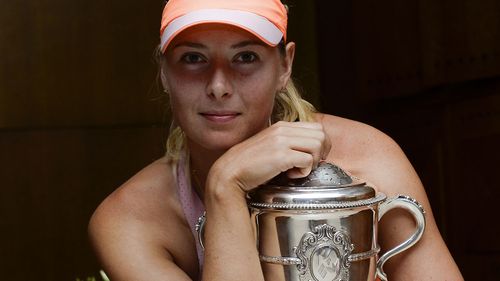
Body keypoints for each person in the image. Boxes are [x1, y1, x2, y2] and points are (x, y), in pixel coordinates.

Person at [88, 0, 464, 280]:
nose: (218, 86)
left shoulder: (367, 160)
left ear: (284, 66)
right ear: (164, 73)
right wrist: (225, 185)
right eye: (193, 58)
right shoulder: (130, 220)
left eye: (246, 56)